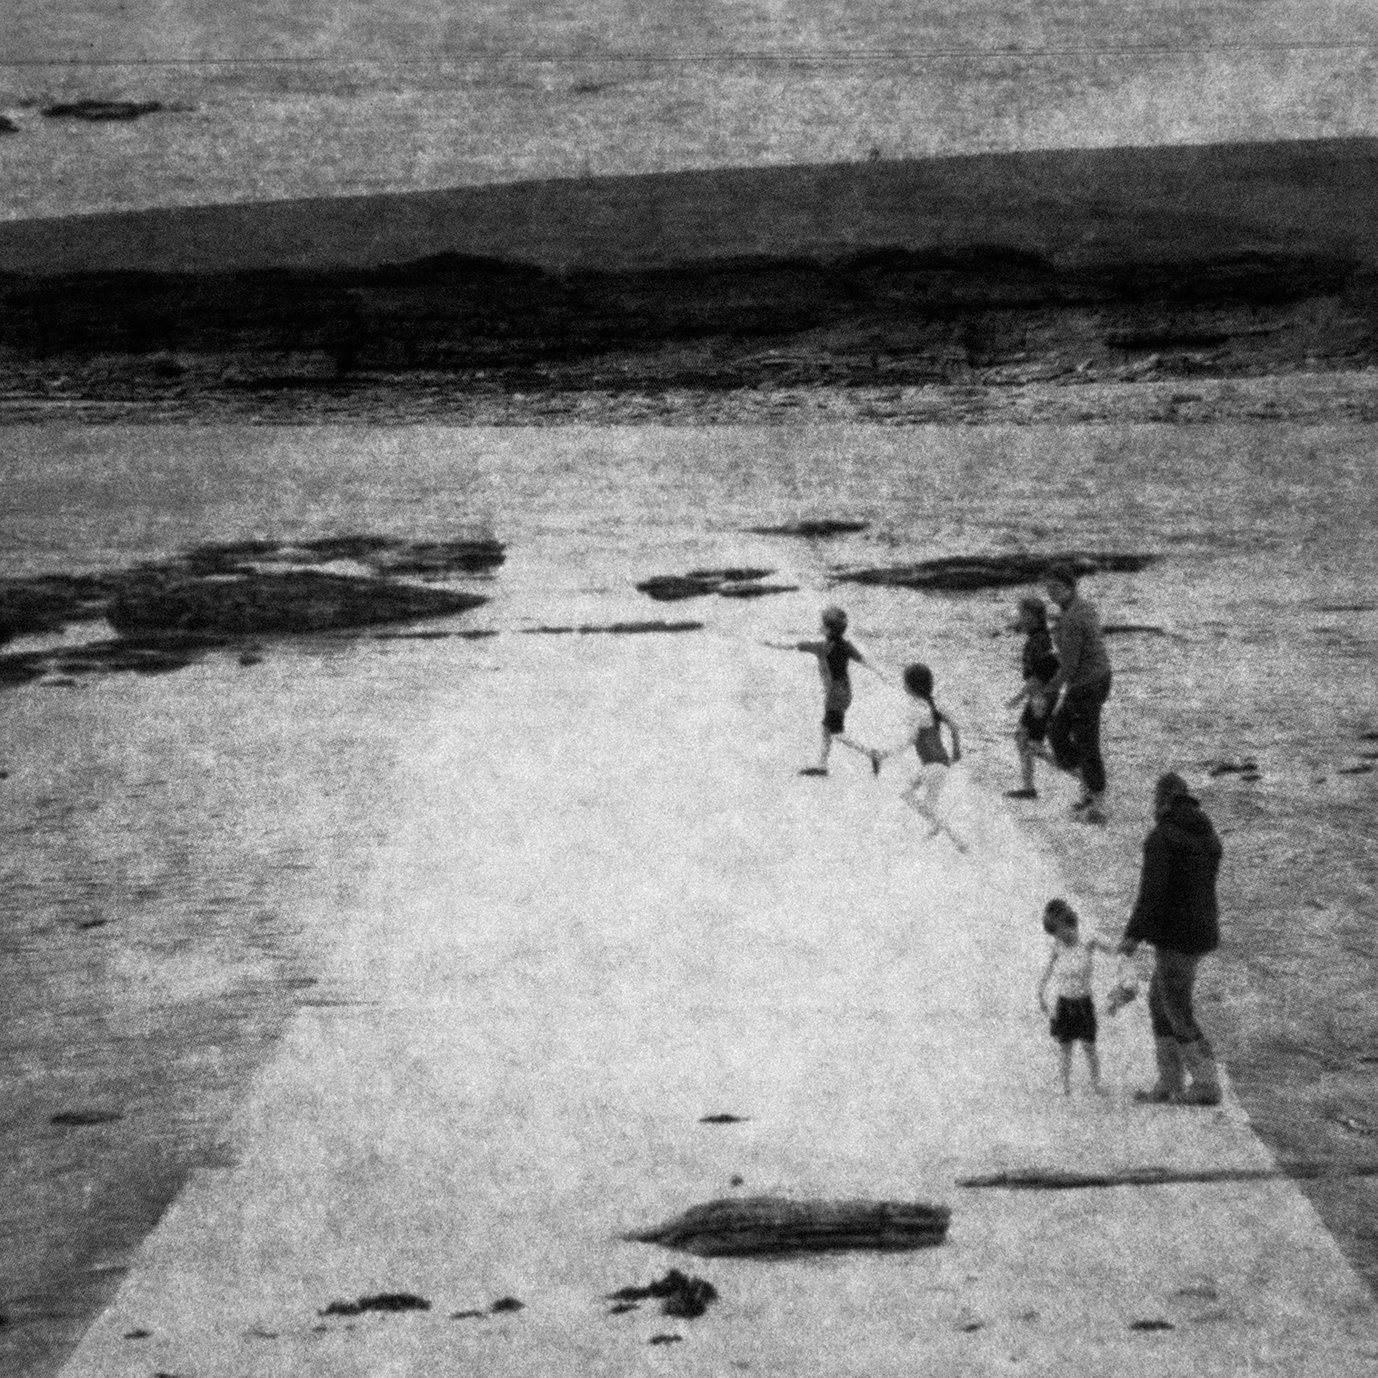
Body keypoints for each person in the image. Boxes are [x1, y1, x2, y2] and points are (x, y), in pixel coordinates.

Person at [1118, 772, 1224, 1106]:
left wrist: (1133, 935)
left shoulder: (1162, 837)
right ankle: (1170, 1081)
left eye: (1154, 799)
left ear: (1162, 800)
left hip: (1175, 935)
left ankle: (1206, 1084)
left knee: (1176, 1007)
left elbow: (1152, 892)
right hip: (1200, 931)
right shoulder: (1207, 834)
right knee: (1159, 1002)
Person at [763, 606, 883, 776]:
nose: (819, 626)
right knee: (826, 728)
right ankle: (822, 766)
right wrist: (881, 673)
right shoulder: (847, 645)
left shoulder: (821, 647)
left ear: (828, 629)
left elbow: (791, 645)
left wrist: (768, 643)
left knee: (837, 733)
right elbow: (864, 660)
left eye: (822, 624)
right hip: (845, 692)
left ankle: (872, 753)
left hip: (834, 695)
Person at [1040, 564, 1113, 824]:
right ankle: (1090, 789)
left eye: (1057, 588)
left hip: (1087, 684)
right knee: (1059, 733)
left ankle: (1097, 801)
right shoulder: (1082, 607)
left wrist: (1047, 690)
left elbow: (1069, 666)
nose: (1052, 593)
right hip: (1097, 678)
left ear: (1071, 587)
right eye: (1049, 589)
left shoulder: (1072, 618)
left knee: (1084, 741)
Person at [872, 662, 967, 852]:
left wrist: (887, 753)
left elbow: (910, 739)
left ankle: (956, 839)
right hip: (940, 763)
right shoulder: (934, 705)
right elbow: (955, 727)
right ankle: (937, 826)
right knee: (914, 797)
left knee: (918, 801)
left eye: (904, 682)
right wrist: (956, 751)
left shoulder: (916, 710)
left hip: (932, 765)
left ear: (910, 686)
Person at [1037, 898, 1114, 1095]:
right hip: (1064, 1002)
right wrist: (1041, 992)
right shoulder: (1057, 945)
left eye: (1059, 932)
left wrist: (1118, 949)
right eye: (1055, 935)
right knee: (1065, 1046)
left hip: (1083, 1002)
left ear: (1067, 925)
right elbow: (1048, 969)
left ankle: (1096, 1083)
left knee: (1089, 1045)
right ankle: (1064, 1084)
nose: (1058, 937)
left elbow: (1111, 948)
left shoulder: (1087, 940)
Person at [1004, 596, 1060, 800]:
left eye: (1021, 614)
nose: (1019, 618)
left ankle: (1081, 774)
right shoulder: (1040, 638)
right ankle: (1028, 787)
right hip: (1042, 696)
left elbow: (1040, 676)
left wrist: (1018, 698)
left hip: (1041, 697)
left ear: (1031, 616)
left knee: (1033, 745)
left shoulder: (1038, 642)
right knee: (1023, 738)